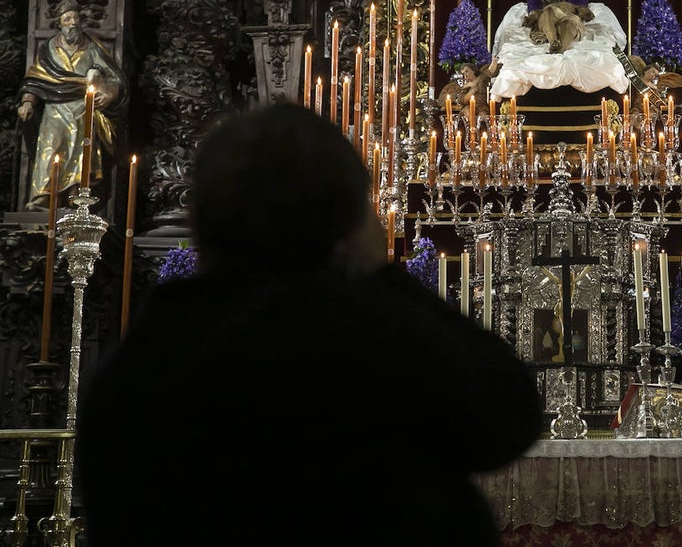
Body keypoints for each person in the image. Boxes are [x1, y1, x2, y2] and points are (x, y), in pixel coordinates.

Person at [75, 103, 542, 547]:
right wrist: (379, 273)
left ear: (200, 221)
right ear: (351, 223)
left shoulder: (139, 366)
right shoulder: (377, 339)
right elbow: (508, 415)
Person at [16, 0, 126, 209]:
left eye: (76, 18)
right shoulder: (49, 49)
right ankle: (44, 196)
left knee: (81, 151)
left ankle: (77, 196)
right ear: (60, 23)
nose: (73, 22)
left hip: (83, 107)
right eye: (67, 19)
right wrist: (28, 102)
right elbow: (37, 79)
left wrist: (110, 93)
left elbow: (113, 77)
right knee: (49, 148)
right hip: (54, 110)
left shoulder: (92, 47)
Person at [522, 0, 594, 54]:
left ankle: (560, 49)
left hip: (568, 19)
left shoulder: (572, 6)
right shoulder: (543, 10)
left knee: (568, 22)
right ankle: (553, 42)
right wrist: (530, 19)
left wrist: (585, 13)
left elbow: (584, 12)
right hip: (549, 22)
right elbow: (533, 16)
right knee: (548, 13)